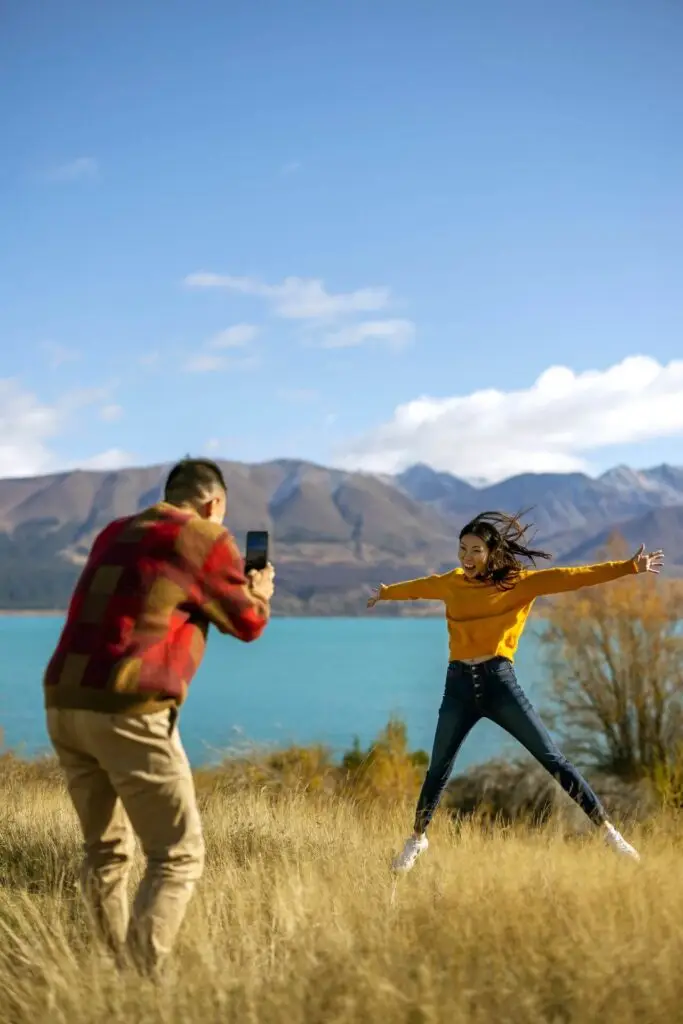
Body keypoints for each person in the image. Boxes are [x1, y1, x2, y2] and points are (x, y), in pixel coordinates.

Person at [43, 457, 275, 972]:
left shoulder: (113, 531)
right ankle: (141, 982)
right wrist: (260, 593)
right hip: (128, 707)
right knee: (177, 854)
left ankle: (109, 974)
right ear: (214, 504)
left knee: (105, 851)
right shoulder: (204, 537)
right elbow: (248, 623)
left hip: (64, 702)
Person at [367, 510, 665, 872]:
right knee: (438, 768)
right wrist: (385, 593)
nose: (466, 557)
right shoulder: (451, 583)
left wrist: (628, 567)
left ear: (491, 552)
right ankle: (417, 839)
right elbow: (418, 588)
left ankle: (609, 833)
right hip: (458, 688)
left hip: (499, 684)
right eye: (462, 549)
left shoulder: (519, 584)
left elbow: (572, 577)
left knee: (552, 759)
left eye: (475, 550)